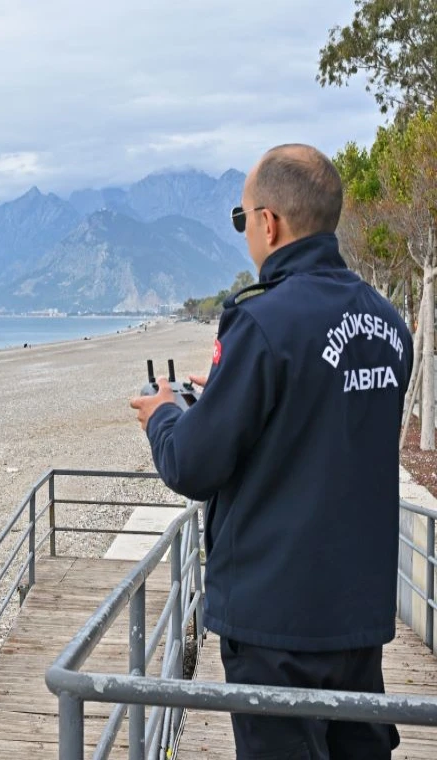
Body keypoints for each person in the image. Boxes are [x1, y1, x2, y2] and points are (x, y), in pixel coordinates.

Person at [129, 144, 413, 759]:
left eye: (241, 219)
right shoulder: (391, 325)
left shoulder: (260, 323)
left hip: (275, 617)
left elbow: (193, 465)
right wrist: (233, 394)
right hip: (357, 613)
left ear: (269, 222)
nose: (246, 234)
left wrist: (164, 417)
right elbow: (325, 422)